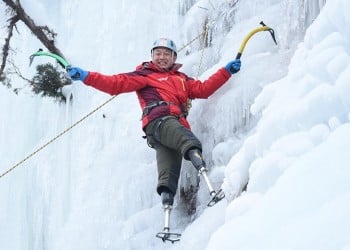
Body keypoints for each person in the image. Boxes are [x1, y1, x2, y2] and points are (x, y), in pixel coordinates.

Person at [67, 38, 241, 209]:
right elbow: (115, 83)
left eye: (167, 54)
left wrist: (226, 72)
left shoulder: (182, 79)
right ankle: (211, 188)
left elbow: (203, 89)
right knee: (188, 142)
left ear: (174, 58)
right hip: (160, 121)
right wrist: (86, 76)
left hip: (169, 128)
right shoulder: (144, 75)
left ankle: (167, 213)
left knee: (169, 173)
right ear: (152, 56)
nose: (162, 57)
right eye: (158, 53)